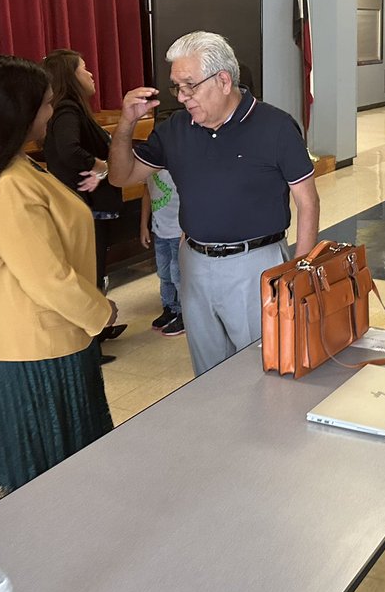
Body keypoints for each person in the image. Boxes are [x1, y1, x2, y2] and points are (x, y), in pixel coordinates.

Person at [0, 55, 116, 506]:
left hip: (14, 343)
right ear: (20, 112)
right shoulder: (10, 186)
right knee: (49, 482)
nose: (52, 114)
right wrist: (101, 311)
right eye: (47, 105)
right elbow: (48, 278)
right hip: (33, 351)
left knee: (44, 480)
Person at [108, 31, 320, 376]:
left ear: (223, 80)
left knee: (263, 365)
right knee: (206, 370)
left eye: (190, 86)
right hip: (194, 263)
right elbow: (121, 176)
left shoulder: (276, 127)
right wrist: (126, 124)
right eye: (177, 87)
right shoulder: (175, 129)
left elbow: (308, 202)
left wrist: (300, 271)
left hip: (256, 264)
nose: (183, 97)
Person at [40, 48, 127, 362]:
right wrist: (102, 166)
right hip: (83, 204)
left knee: (94, 267)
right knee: (90, 270)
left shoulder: (71, 109)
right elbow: (69, 150)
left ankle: (99, 327)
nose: (91, 74)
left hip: (87, 203)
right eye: (84, 69)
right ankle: (89, 338)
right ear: (70, 76)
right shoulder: (66, 110)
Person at [140, 166, 184, 338]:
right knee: (164, 273)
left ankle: (185, 314)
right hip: (160, 230)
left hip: (178, 230)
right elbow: (147, 194)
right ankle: (170, 308)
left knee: (178, 274)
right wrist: (144, 225)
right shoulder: (148, 168)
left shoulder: (177, 165)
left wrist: (186, 230)